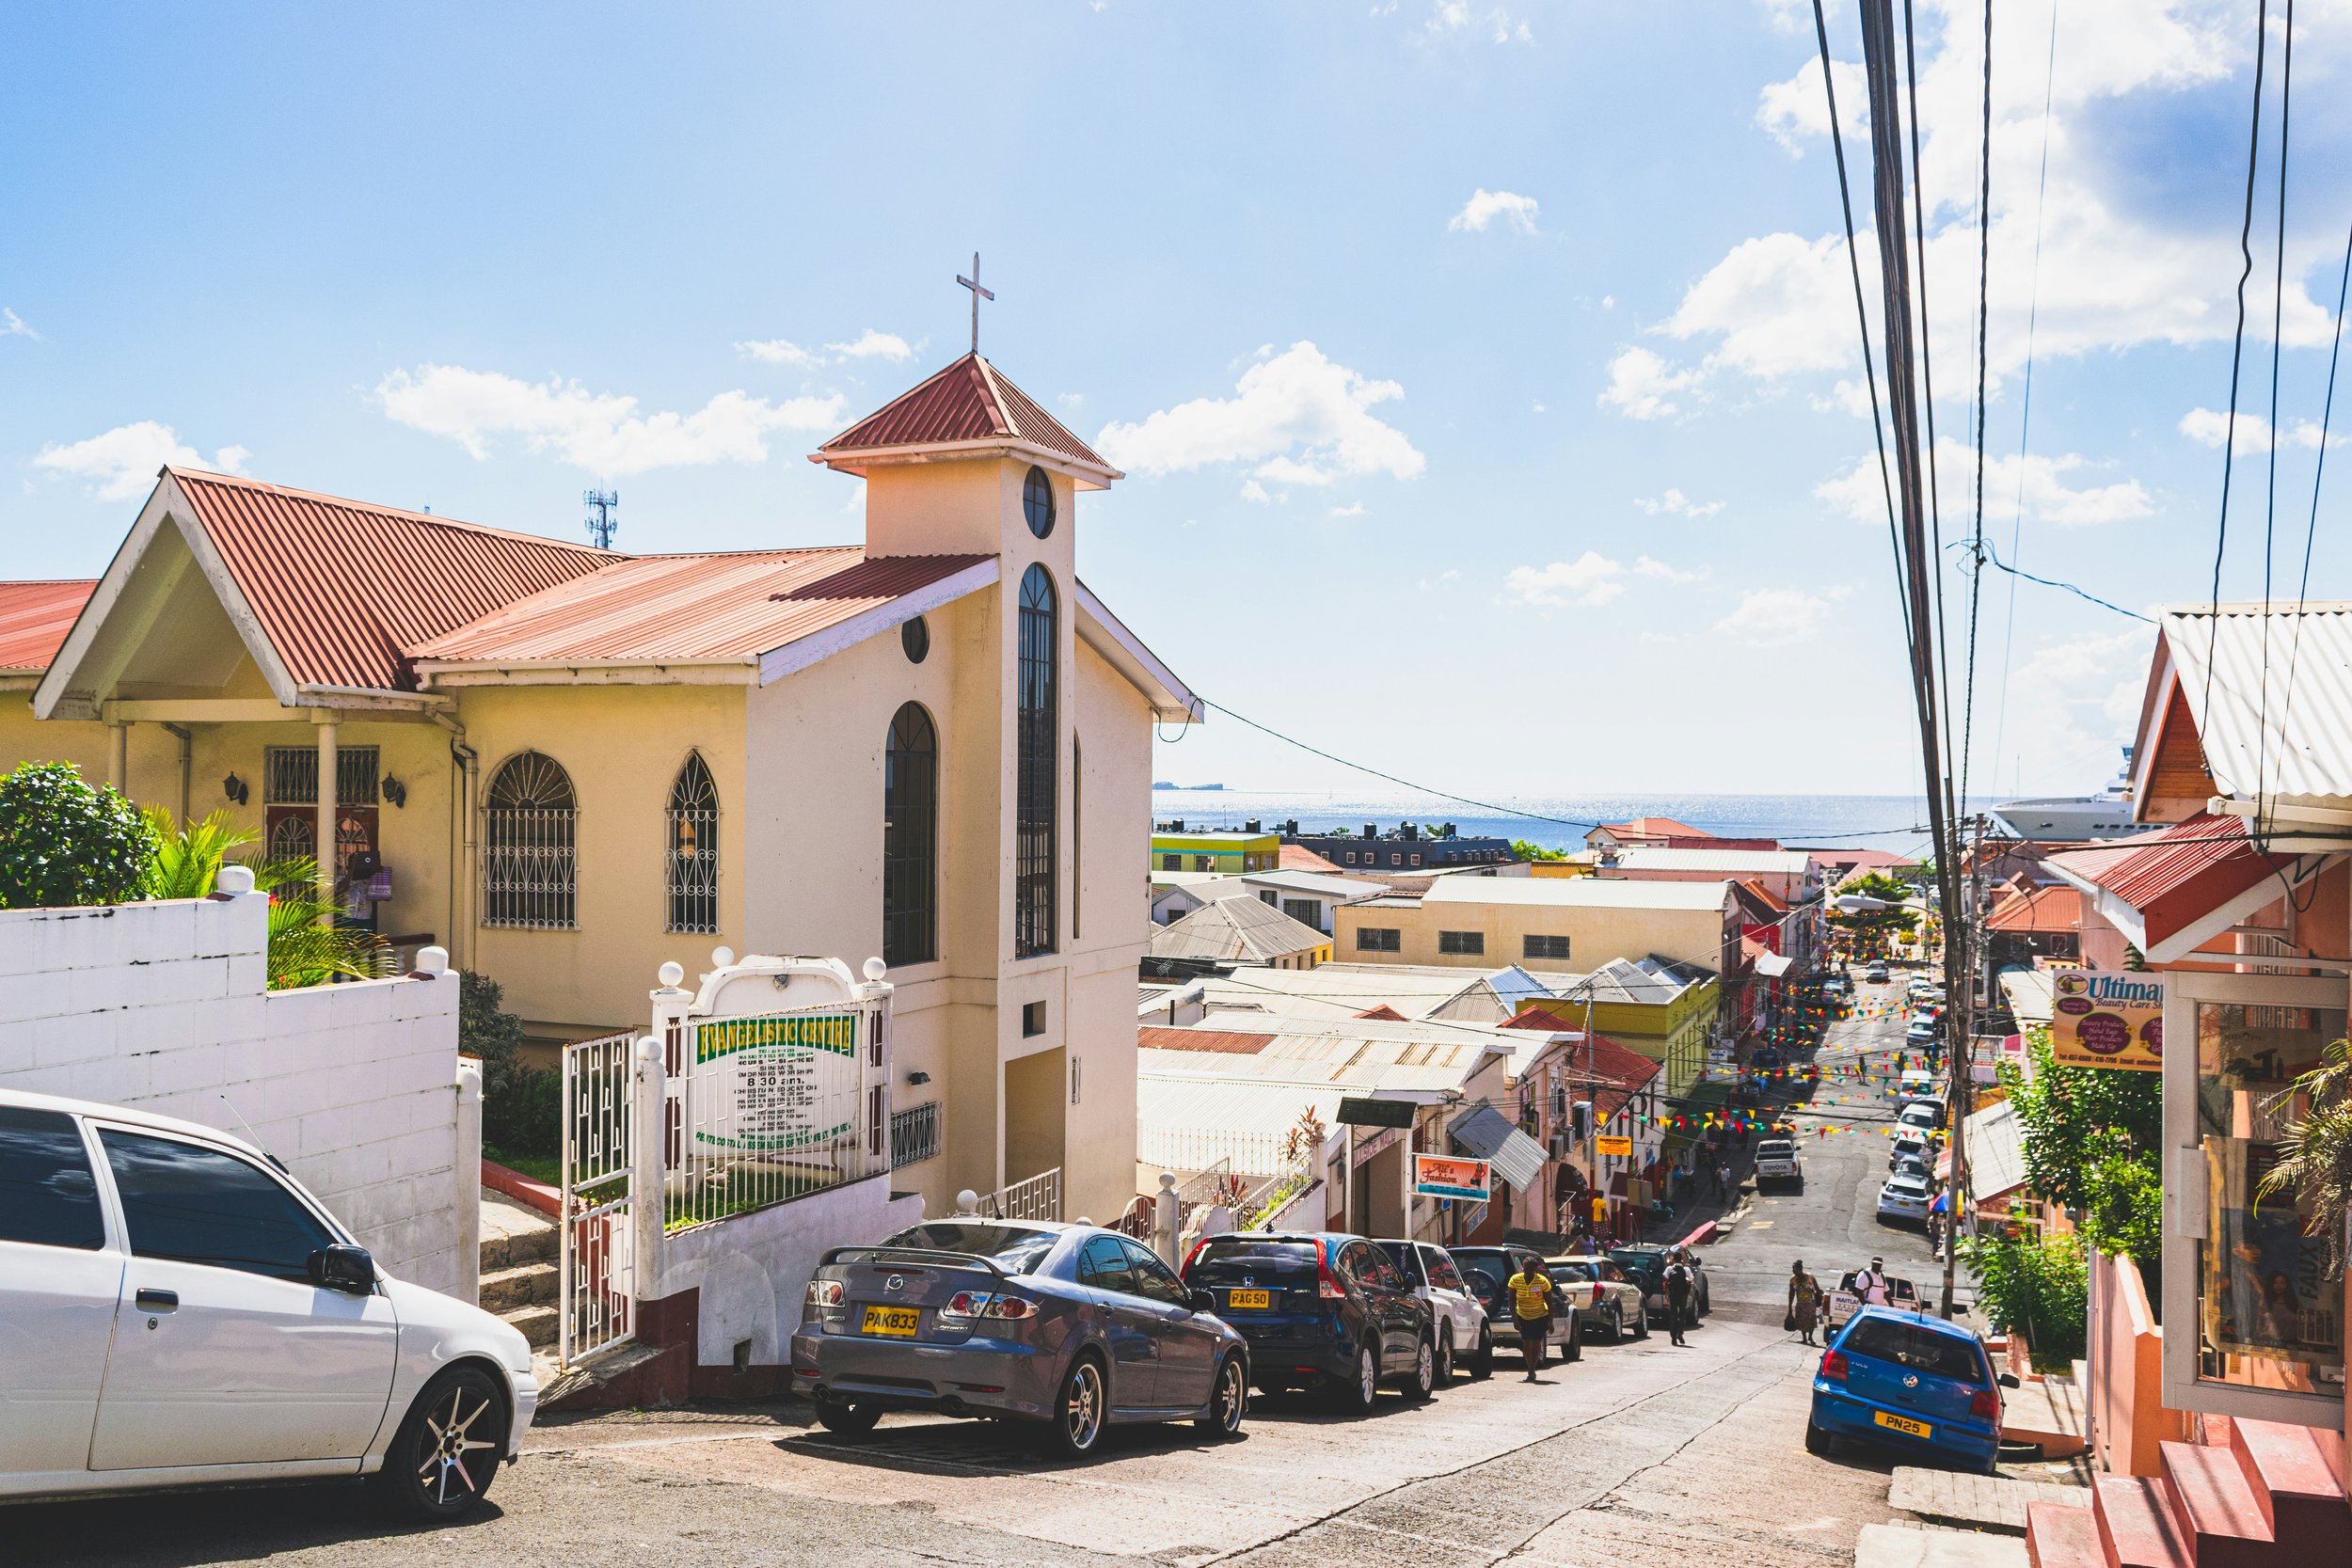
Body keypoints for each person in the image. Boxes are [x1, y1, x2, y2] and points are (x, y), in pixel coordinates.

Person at [1505, 1257, 1555, 1380]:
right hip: (1523, 1315)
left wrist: (1550, 1321)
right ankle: (1530, 1368)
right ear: (1522, 1268)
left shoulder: (1542, 1282)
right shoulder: (1515, 1280)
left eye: (1531, 1270)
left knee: (1536, 1341)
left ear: (1535, 1270)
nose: (1528, 1272)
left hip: (1540, 1316)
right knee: (1527, 1342)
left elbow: (1549, 1302)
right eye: (1526, 1269)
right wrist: (1515, 1319)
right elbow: (1511, 1300)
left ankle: (1533, 1367)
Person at [1663, 1251, 1696, 1346]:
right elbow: (1691, 1280)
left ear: (1673, 1260)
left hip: (1673, 1294)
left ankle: (1673, 1337)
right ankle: (1680, 1333)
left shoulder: (1669, 1269)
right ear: (1682, 1260)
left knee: (1673, 1315)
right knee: (1682, 1315)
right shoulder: (1686, 1269)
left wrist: (1666, 1293)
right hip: (1683, 1295)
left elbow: (1665, 1281)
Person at [1789, 1260, 1822, 1345]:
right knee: (1801, 1321)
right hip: (1800, 1303)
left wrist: (1819, 1300)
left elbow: (1817, 1289)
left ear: (1800, 1269)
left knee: (1811, 1321)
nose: (1793, 1270)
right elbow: (1791, 1293)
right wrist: (1790, 1306)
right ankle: (1804, 1338)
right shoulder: (1793, 1280)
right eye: (1792, 1268)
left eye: (1794, 1268)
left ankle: (1810, 1337)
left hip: (1810, 1303)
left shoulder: (1810, 1277)